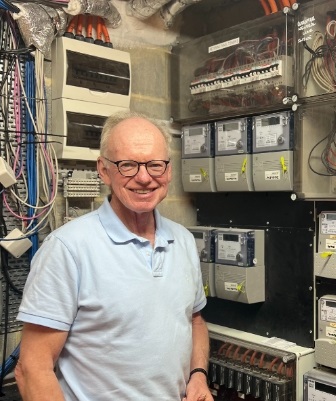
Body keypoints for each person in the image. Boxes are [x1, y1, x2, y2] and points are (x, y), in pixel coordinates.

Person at [14, 110, 213, 401]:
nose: (144, 178)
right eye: (128, 165)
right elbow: (32, 368)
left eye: (155, 165)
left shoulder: (182, 240)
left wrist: (198, 376)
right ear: (104, 170)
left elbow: (194, 321)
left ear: (168, 171)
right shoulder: (68, 249)